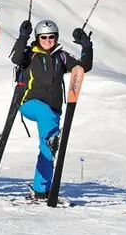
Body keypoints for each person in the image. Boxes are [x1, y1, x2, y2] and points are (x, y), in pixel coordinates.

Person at [10, 19, 94, 200]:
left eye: (52, 37)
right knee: (48, 131)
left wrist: (86, 45)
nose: (48, 40)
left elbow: (82, 68)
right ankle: (52, 140)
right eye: (44, 37)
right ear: (37, 38)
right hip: (30, 103)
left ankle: (41, 189)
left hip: (53, 109)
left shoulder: (61, 56)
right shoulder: (29, 54)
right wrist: (23, 37)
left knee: (48, 150)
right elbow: (15, 58)